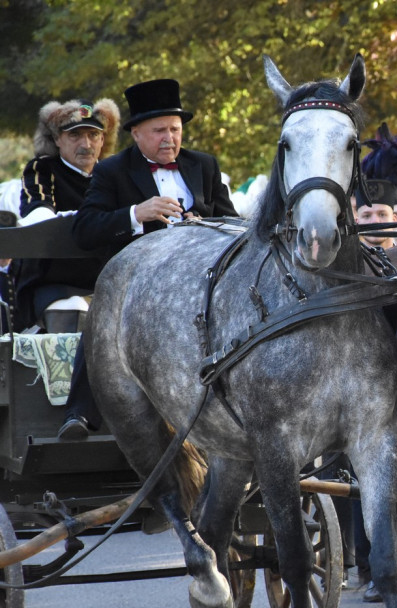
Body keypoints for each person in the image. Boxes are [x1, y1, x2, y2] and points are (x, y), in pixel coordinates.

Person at [59, 78, 236, 440]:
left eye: (175, 129)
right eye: (159, 131)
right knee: (101, 320)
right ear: (136, 134)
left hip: (204, 279)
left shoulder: (204, 165)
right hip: (139, 284)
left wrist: (204, 224)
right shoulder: (112, 171)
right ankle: (79, 415)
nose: (169, 138)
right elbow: (85, 229)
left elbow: (233, 223)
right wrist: (136, 214)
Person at [14, 98, 120, 332]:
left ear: (103, 140)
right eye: (75, 136)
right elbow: (38, 210)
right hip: (54, 281)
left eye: (93, 135)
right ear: (57, 139)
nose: (86, 144)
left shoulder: (114, 174)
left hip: (106, 281)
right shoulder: (43, 169)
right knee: (71, 310)